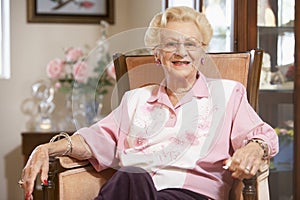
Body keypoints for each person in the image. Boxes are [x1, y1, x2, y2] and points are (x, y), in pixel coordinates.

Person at [20, 6, 278, 200]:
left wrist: (254, 149)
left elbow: (262, 134)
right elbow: (94, 139)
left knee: (133, 176)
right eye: (170, 44)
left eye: (191, 44)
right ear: (157, 54)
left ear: (202, 54)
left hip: (192, 196)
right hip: (133, 189)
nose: (181, 51)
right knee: (134, 177)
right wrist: (46, 149)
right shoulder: (136, 100)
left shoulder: (228, 93)